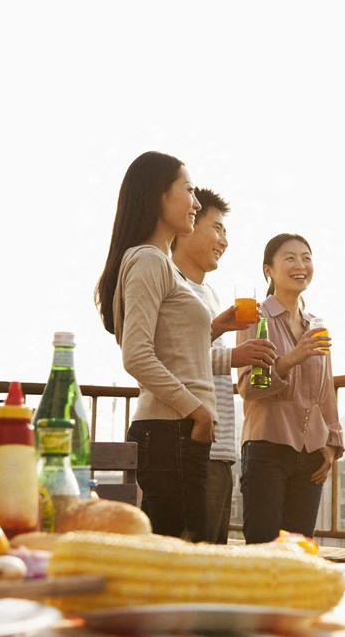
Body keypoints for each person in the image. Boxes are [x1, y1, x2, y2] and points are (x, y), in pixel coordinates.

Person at [94, 151, 258, 542]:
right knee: (184, 551)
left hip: (179, 430)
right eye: (188, 191)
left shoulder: (158, 264)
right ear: (158, 196)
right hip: (171, 431)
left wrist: (214, 328)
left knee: (185, 549)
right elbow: (135, 354)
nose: (196, 202)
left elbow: (172, 350)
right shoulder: (150, 261)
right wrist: (197, 412)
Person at [170, 187, 275, 543]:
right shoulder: (171, 283)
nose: (224, 241)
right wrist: (234, 357)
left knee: (214, 547)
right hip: (191, 439)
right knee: (193, 554)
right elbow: (172, 356)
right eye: (217, 228)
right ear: (187, 225)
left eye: (225, 232)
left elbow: (196, 352)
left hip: (220, 442)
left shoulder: (209, 293)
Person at [236, 233, 344, 544]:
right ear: (268, 270)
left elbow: (326, 390)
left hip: (311, 455)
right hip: (267, 449)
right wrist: (290, 359)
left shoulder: (316, 324)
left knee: (299, 554)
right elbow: (248, 387)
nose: (301, 265)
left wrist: (331, 444)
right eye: (290, 258)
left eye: (307, 258)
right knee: (264, 552)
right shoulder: (254, 316)